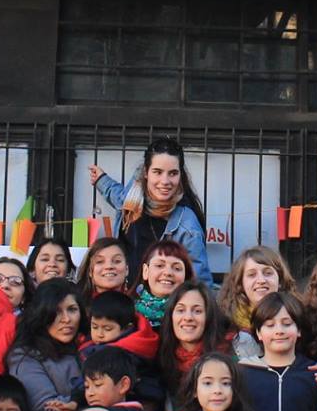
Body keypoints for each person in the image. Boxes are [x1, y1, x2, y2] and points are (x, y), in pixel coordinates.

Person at [91, 137, 214, 286]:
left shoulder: (188, 227)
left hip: (162, 305)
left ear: (180, 175)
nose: (165, 181)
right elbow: (119, 198)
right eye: (157, 172)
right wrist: (101, 180)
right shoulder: (133, 195)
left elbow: (200, 284)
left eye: (173, 173)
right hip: (124, 296)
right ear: (145, 172)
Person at [8, 278, 86, 411]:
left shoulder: (92, 344)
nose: (66, 319)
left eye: (72, 309)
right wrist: (97, 399)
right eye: (56, 312)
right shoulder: (24, 356)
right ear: (42, 314)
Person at [157, 279, 230, 389]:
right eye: (181, 310)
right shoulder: (159, 357)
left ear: (209, 316)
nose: (188, 318)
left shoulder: (231, 353)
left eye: (197, 311)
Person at [221, 245, 293, 352]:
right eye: (252, 275)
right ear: (240, 283)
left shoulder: (297, 317)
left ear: (280, 281)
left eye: (268, 273)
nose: (261, 280)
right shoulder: (226, 323)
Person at [130, 239, 195, 344]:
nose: (168, 273)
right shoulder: (128, 312)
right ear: (145, 271)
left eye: (177, 268)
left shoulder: (193, 316)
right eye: (160, 266)